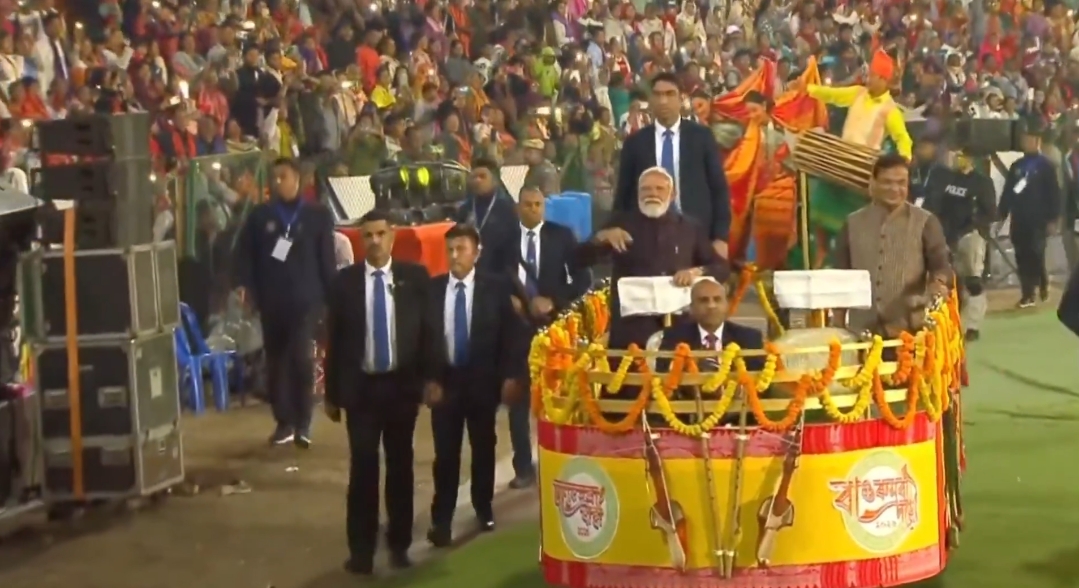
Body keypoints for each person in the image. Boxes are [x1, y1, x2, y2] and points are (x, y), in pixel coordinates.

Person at [322, 209, 444, 576]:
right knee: (362, 468)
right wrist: (332, 394)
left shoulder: (414, 278)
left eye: (380, 234)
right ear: (361, 241)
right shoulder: (344, 283)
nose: (374, 241)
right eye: (368, 236)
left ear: (392, 236)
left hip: (401, 388)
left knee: (400, 466)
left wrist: (432, 378)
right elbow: (335, 340)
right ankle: (361, 551)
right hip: (361, 391)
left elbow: (430, 332)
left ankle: (400, 544)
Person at [427, 224, 524, 545]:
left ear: (476, 253)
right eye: (450, 250)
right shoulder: (432, 290)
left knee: (483, 449)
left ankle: (483, 508)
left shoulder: (495, 289)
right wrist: (428, 379)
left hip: (482, 383)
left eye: (461, 249)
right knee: (445, 455)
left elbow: (511, 336)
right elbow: (422, 339)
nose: (455, 256)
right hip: (445, 385)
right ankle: (441, 520)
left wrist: (510, 376)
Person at [234, 157, 336, 447]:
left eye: (284, 176)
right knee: (277, 363)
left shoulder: (317, 215)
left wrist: (332, 298)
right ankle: (284, 422)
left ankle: (304, 422)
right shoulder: (260, 216)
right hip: (272, 301)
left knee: (301, 359)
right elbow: (245, 255)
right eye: (275, 177)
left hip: (306, 301)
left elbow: (326, 259)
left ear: (297, 179)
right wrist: (245, 286)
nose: (278, 182)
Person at [577, 166, 728, 351]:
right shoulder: (620, 223)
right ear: (637, 193)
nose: (652, 194)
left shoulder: (690, 227)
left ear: (672, 195)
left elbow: (721, 268)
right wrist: (601, 237)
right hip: (631, 328)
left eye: (659, 189)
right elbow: (580, 259)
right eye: (646, 189)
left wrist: (696, 272)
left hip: (680, 326)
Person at [504, 186, 589, 489]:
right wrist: (508, 300)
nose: (533, 209)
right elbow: (489, 278)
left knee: (560, 397)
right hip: (515, 332)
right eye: (527, 204)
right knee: (518, 401)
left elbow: (583, 279)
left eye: (538, 204)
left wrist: (554, 301)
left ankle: (563, 461)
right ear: (518, 207)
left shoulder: (562, 236)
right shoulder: (503, 238)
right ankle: (523, 468)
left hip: (555, 331)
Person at [797, 49, 914, 267]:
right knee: (820, 211)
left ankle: (853, 262)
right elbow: (832, 95)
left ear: (884, 80)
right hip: (840, 161)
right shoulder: (858, 93)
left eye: (873, 76)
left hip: (861, 171)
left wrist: (904, 158)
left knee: (854, 222)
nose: (868, 79)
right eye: (869, 75)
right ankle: (821, 253)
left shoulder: (890, 110)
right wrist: (808, 90)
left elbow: (903, 138)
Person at [614, 72, 731, 258]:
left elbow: (719, 189)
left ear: (681, 98)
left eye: (670, 94)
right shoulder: (635, 143)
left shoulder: (702, 137)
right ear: (650, 100)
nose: (663, 101)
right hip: (648, 240)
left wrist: (720, 237)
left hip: (697, 238)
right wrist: (616, 229)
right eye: (657, 95)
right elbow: (623, 195)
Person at [834, 154, 953, 337]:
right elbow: (841, 276)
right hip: (861, 332)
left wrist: (939, 284)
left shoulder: (926, 222)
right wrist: (838, 322)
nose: (895, 189)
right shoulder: (852, 223)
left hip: (910, 331)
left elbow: (941, 266)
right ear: (873, 182)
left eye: (901, 183)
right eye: (887, 182)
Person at [922, 148, 997, 341]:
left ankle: (973, 326)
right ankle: (949, 324)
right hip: (945, 236)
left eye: (962, 155)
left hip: (970, 235)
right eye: (956, 155)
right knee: (947, 281)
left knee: (973, 281)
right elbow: (932, 206)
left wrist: (975, 228)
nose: (957, 159)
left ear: (971, 158)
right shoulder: (945, 178)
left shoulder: (981, 182)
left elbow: (990, 212)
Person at [999, 123, 1061, 308]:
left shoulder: (1046, 166)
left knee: (1036, 253)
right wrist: (1002, 212)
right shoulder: (1017, 166)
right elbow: (1008, 191)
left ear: (1037, 141)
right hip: (1019, 217)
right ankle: (1028, 292)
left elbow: (1054, 193)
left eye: (1029, 139)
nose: (1025, 142)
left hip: (1038, 219)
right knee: (1021, 253)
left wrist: (1053, 218)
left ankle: (1039, 283)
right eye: (1024, 139)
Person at [658, 278, 765, 372]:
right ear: (692, 308)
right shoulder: (674, 337)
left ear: (727, 305)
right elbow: (662, 376)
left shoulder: (750, 337)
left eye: (717, 299)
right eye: (704, 300)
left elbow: (760, 382)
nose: (711, 305)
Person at [456, 158, 518, 272]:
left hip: (499, 271)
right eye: (474, 177)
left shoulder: (508, 209)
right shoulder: (465, 209)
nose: (477, 180)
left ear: (494, 180)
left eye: (482, 176)